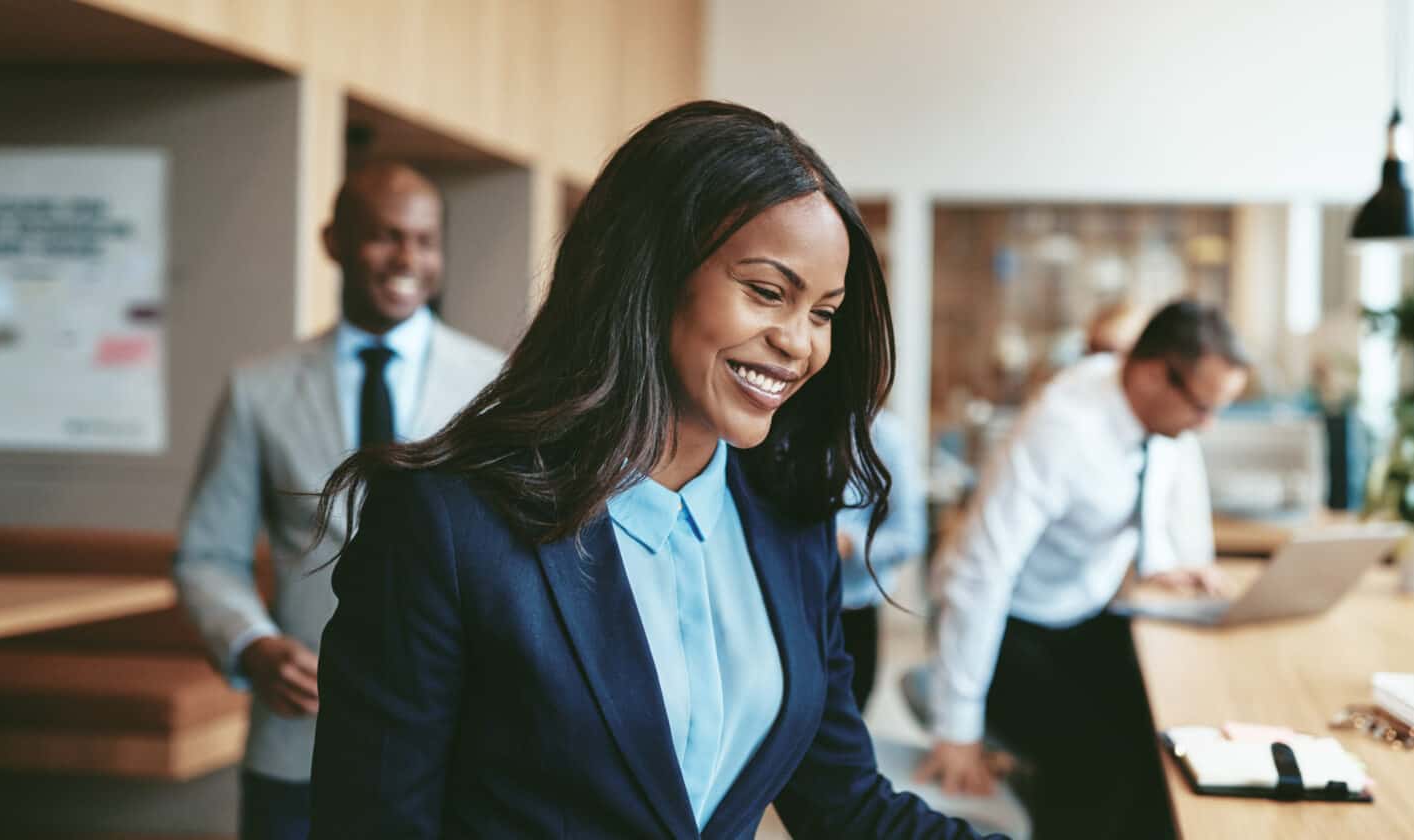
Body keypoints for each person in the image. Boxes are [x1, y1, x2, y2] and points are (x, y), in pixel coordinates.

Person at [306, 101, 999, 839]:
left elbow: (847, 808)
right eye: (768, 292)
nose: (799, 343)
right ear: (651, 272)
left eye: (824, 312)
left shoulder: (790, 525)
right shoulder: (445, 526)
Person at [173, 163, 505, 840]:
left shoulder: (497, 386)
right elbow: (208, 555)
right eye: (385, 236)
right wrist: (253, 643)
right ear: (334, 242)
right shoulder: (257, 390)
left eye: (424, 239)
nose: (407, 258)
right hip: (298, 741)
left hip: (461, 743)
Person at [916, 300, 1249, 839]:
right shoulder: (1063, 430)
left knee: (1168, 734)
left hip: (1080, 609)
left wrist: (1169, 562)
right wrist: (956, 728)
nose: (1206, 426)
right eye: (1201, 407)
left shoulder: (1153, 414)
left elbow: (1157, 485)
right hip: (1009, 621)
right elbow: (980, 573)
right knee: (1098, 767)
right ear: (1152, 373)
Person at [837, 410, 927, 711]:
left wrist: (847, 542)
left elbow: (909, 537)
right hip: (787, 609)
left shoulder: (888, 439)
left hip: (851, 614)